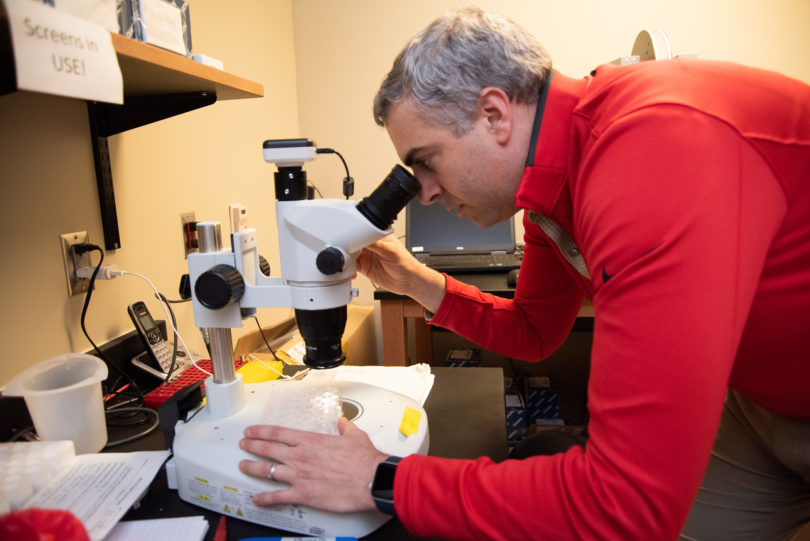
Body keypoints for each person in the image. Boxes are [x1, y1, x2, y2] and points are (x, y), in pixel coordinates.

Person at [238, 6, 810, 540]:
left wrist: (380, 480)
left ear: (493, 114)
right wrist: (413, 280)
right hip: (762, 400)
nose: (425, 193)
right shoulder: (550, 191)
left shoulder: (650, 150)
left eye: (425, 162)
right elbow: (535, 333)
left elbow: (623, 505)